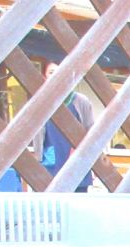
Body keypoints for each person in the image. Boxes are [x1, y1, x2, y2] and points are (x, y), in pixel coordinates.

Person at [32, 61, 95, 191]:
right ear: (44, 77)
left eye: (59, 71)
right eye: (51, 72)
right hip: (51, 164)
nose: (55, 76)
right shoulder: (41, 104)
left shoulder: (81, 101)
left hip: (77, 164)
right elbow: (38, 138)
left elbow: (92, 132)